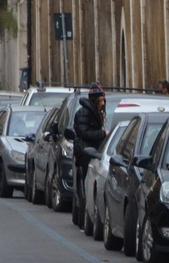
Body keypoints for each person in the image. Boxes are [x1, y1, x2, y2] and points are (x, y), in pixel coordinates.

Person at [72, 84, 108, 228]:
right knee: (86, 183)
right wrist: (103, 134)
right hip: (85, 152)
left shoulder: (95, 113)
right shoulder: (83, 113)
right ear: (94, 102)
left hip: (94, 150)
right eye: (100, 101)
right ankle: (86, 215)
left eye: (104, 101)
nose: (103, 104)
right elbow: (84, 133)